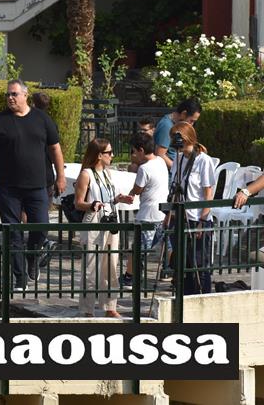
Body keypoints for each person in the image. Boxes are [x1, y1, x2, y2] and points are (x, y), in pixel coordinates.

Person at [0, 79, 66, 289]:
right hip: (8, 186)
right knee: (13, 233)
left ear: (25, 95)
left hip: (38, 186)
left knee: (41, 227)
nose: (10, 98)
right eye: (8, 94)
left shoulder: (42, 119)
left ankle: (33, 256)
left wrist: (60, 176)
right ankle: (19, 277)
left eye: (14, 94)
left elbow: (55, 149)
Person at [73, 138, 130, 318]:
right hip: (94, 220)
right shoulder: (86, 174)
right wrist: (92, 205)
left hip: (110, 218)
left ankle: (110, 306)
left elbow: (108, 199)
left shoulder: (107, 173)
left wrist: (118, 199)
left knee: (111, 264)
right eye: (109, 152)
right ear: (99, 155)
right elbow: (78, 203)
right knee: (91, 266)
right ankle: (86, 309)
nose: (112, 155)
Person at [168, 122, 216, 295]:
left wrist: (202, 221)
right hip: (179, 217)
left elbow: (208, 193)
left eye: (177, 138)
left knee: (199, 265)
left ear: (187, 138)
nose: (175, 142)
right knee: (182, 264)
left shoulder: (204, 160)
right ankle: (184, 299)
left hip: (196, 218)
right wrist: (169, 216)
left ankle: (202, 297)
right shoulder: (178, 158)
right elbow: (174, 187)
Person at [117, 132, 169, 289]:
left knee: (137, 249)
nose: (133, 155)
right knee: (160, 245)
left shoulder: (144, 168)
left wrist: (131, 194)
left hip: (147, 214)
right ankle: (166, 271)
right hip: (162, 213)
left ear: (140, 150)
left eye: (133, 151)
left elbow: (138, 189)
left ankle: (129, 277)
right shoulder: (160, 161)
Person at [154, 99, 202, 169]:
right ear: (184, 114)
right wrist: (178, 170)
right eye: (191, 121)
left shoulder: (175, 125)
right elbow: (160, 155)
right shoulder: (166, 126)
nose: (191, 124)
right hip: (172, 173)